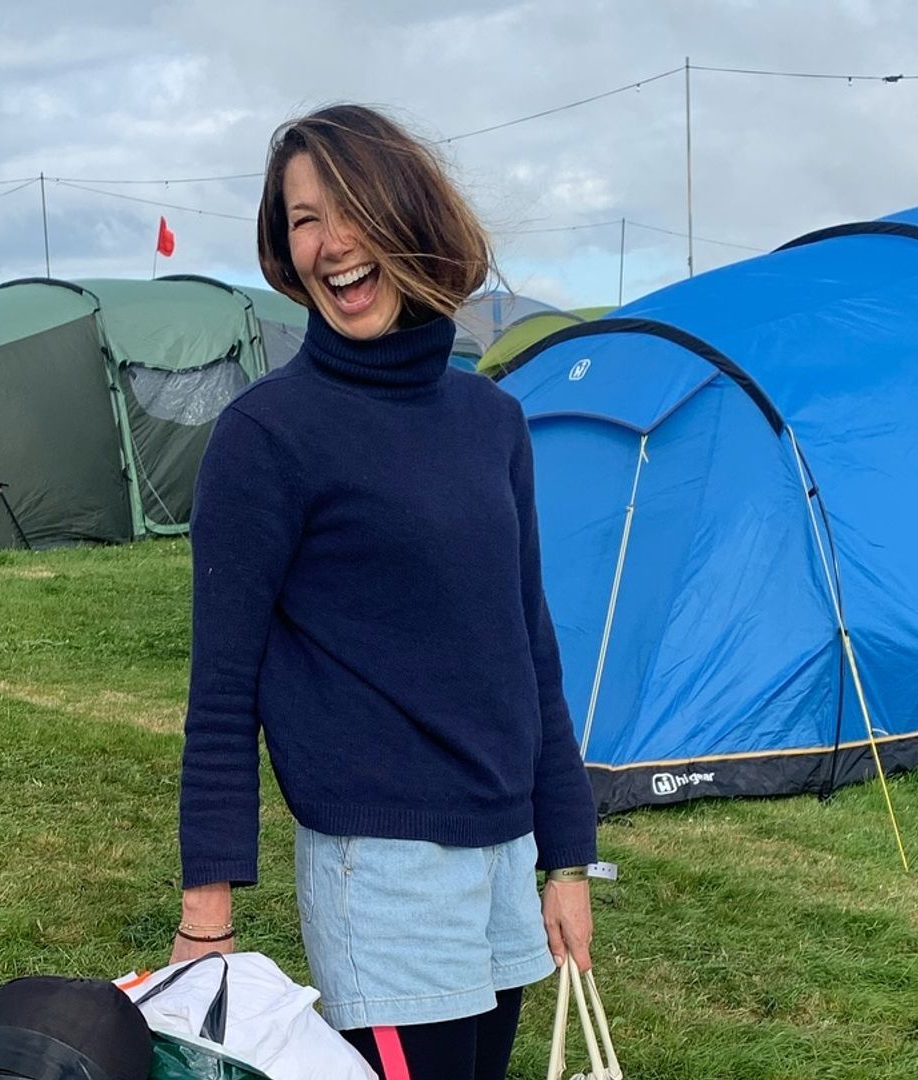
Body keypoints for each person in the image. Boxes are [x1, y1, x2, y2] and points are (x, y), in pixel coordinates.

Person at [175, 104, 599, 1080]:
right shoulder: (267, 437)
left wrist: (566, 858)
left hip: (503, 851)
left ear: (410, 216)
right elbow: (223, 691)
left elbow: (529, 648)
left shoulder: (492, 420)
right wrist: (207, 917)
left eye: (350, 208)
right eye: (302, 221)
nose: (331, 243)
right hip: (383, 876)